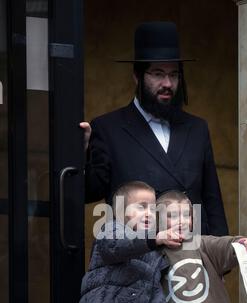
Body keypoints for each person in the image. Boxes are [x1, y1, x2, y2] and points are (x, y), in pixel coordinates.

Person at [80, 21, 228, 237]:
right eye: (158, 74)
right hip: (136, 261)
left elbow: (212, 200)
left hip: (191, 257)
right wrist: (81, 154)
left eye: (174, 74)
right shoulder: (108, 128)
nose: (168, 83)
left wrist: (221, 255)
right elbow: (89, 192)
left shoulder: (197, 128)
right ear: (137, 77)